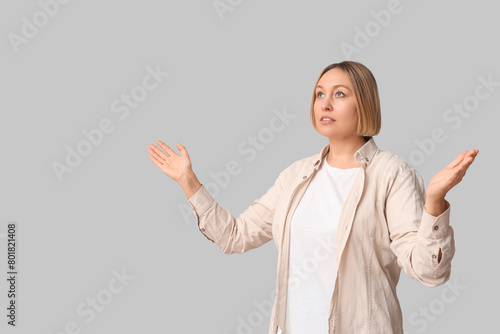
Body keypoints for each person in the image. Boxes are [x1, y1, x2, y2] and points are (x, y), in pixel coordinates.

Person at [147, 61, 479, 334]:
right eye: (319, 93)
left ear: (363, 103)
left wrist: (435, 201)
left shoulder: (391, 173)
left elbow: (428, 272)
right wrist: (188, 181)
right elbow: (235, 236)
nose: (325, 103)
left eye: (339, 94)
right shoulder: (296, 175)